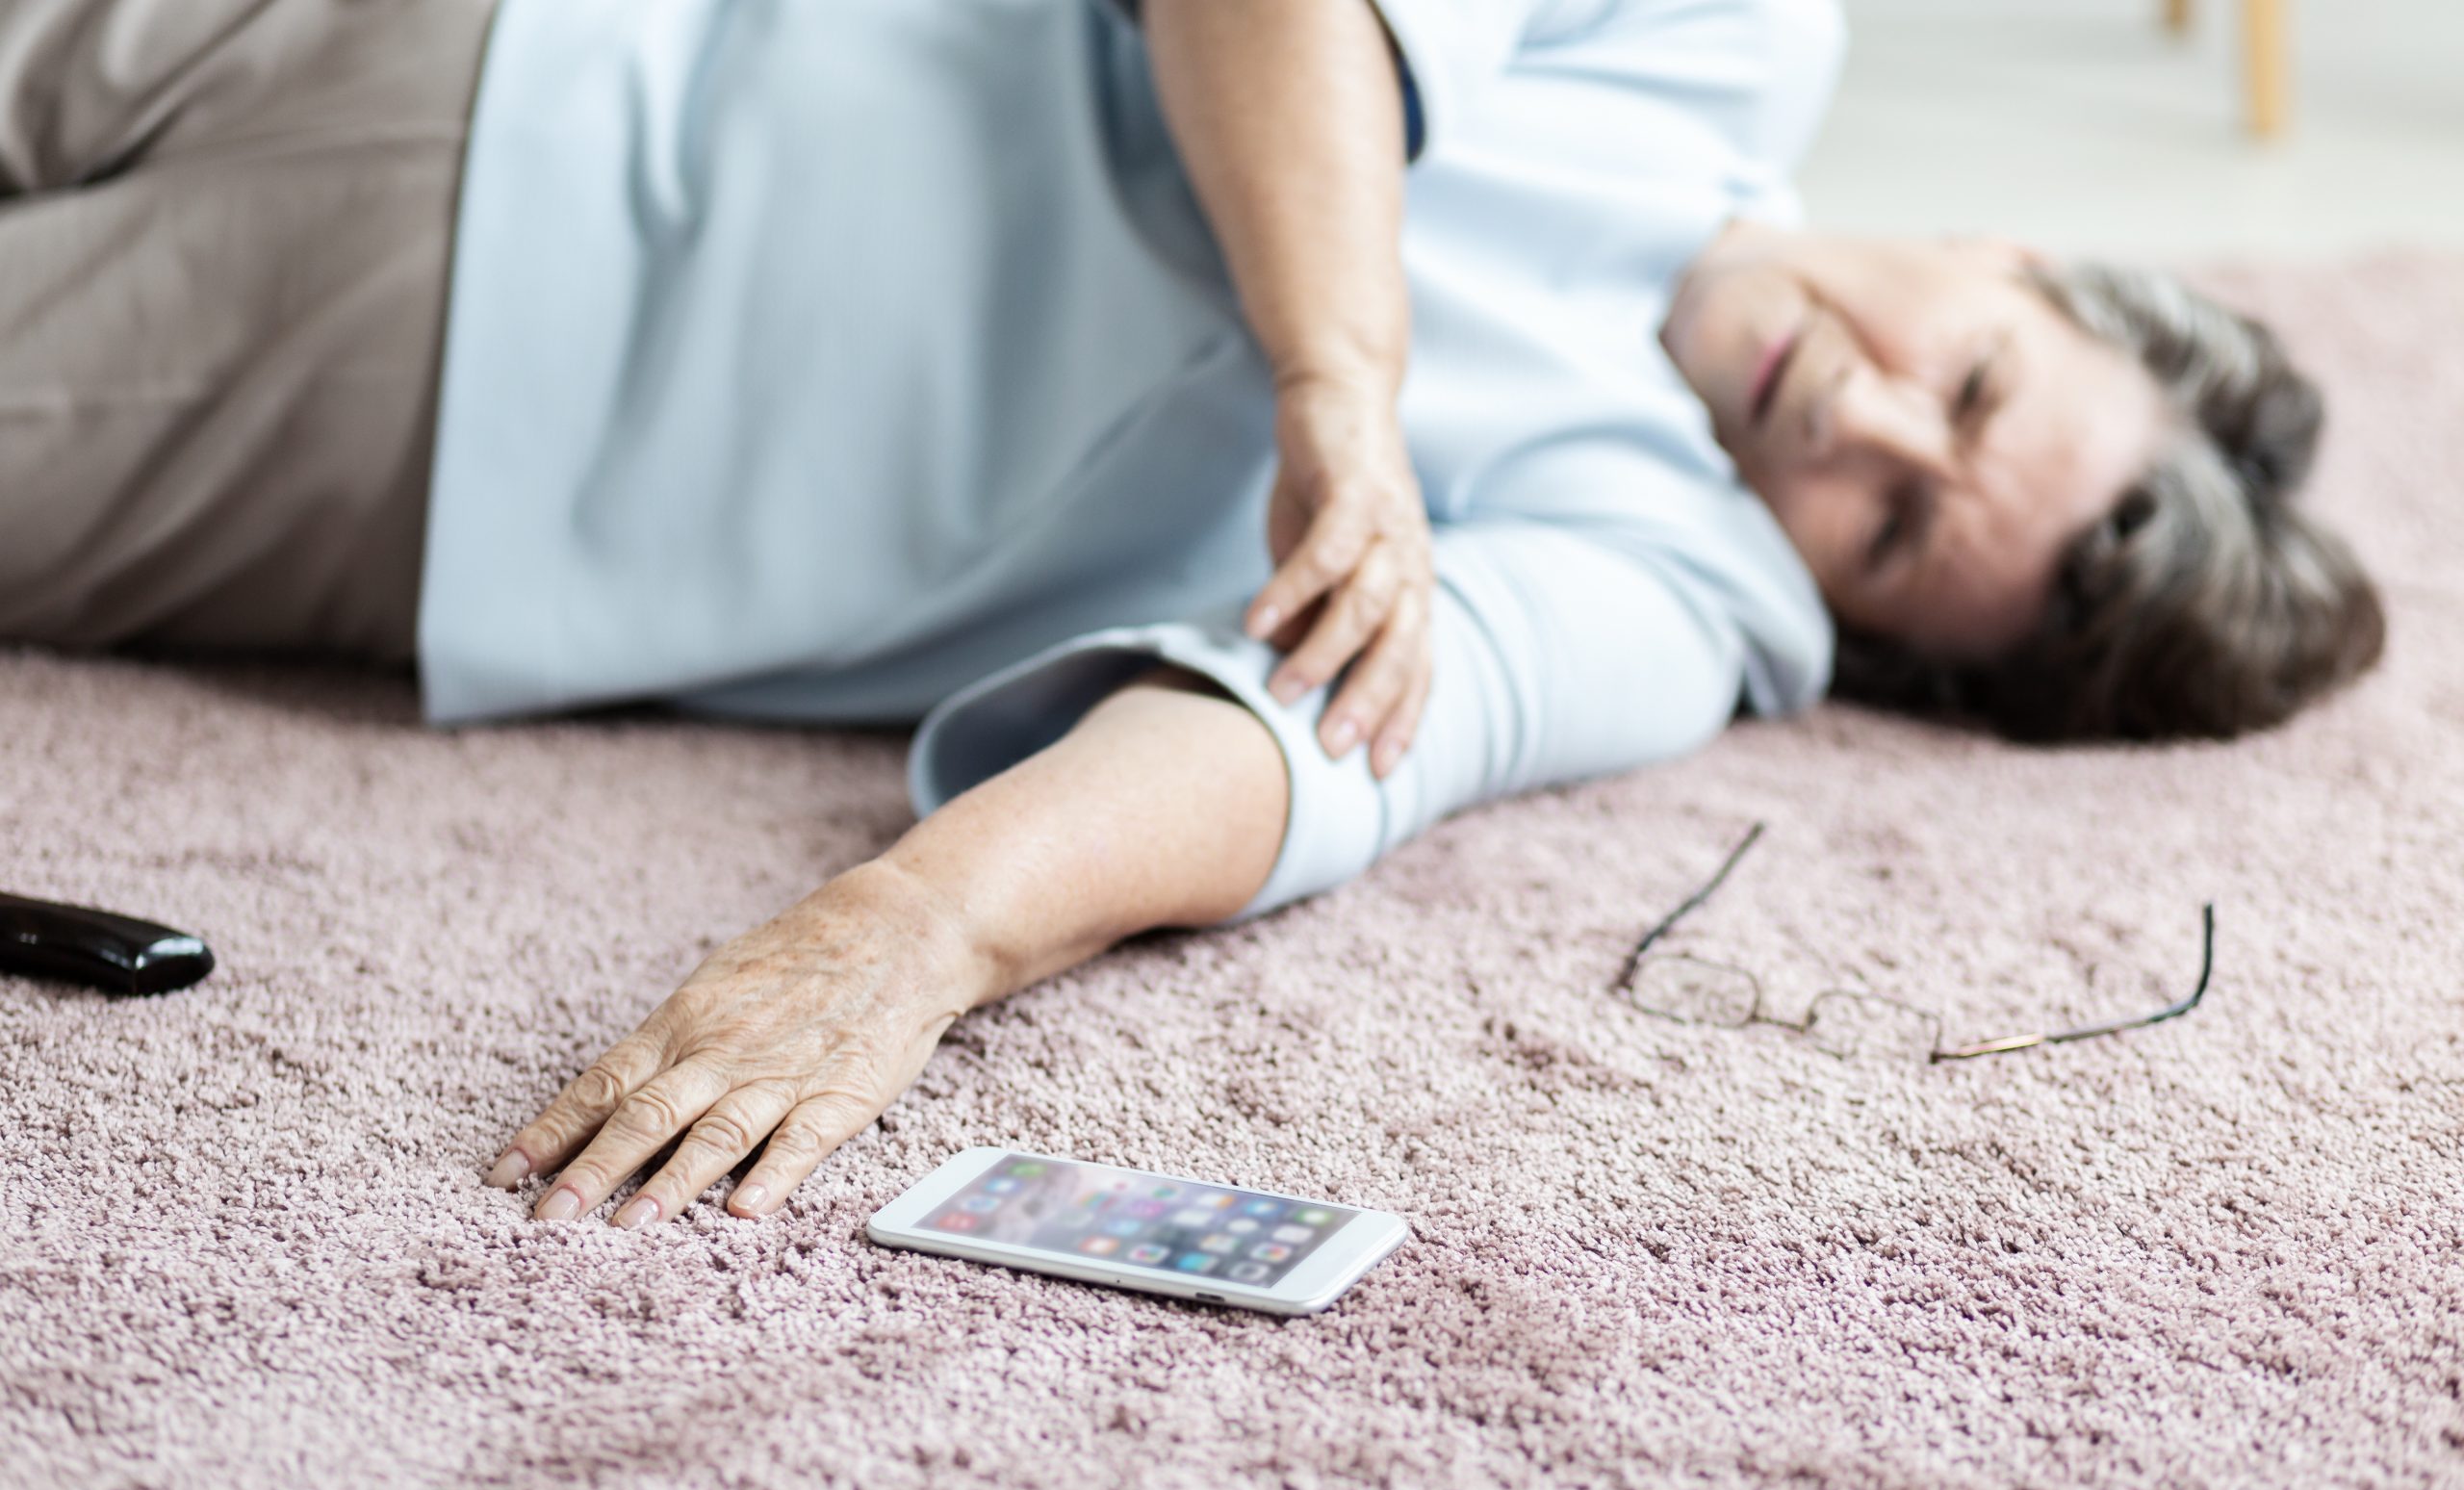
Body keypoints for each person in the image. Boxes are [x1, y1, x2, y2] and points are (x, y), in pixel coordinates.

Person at [0, 0, 2382, 1228]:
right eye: (1963, 378)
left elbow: (1317, 742)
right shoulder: (1720, 30)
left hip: (449, 391)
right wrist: (1336, 377)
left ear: (1855, 624)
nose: (1856, 416)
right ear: (2011, 264)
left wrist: (919, 927)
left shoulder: (1679, 581)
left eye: (1890, 523)